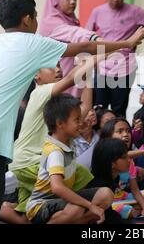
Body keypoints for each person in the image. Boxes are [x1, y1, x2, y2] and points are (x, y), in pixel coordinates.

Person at [0, 0, 144, 224]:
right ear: (27, 19)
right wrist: (128, 43)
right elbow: (86, 47)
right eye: (36, 15)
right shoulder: (32, 43)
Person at [6, 62, 94, 223]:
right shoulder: (39, 92)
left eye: (60, 65)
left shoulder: (57, 105)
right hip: (28, 162)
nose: (58, 69)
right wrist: (91, 60)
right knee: (74, 179)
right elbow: (69, 78)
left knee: (26, 215)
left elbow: (85, 107)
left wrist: (88, 75)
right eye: (51, 66)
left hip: (36, 162)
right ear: (36, 76)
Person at [26, 94, 114, 224]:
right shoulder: (55, 151)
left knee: (106, 194)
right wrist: (90, 206)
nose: (81, 123)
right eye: (77, 120)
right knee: (76, 209)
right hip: (41, 205)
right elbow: (57, 188)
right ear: (60, 124)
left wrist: (87, 78)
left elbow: (85, 109)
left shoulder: (68, 139)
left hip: (62, 200)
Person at [86, 0, 144, 117]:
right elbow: (87, 34)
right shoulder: (98, 11)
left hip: (125, 68)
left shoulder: (134, 11)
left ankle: (118, 138)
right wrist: (93, 59)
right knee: (98, 109)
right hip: (102, 67)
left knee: (119, 110)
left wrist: (137, 38)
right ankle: (101, 138)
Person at [39, 0, 104, 97]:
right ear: (56, 0)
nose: (73, 2)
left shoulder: (71, 20)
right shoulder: (50, 22)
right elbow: (75, 34)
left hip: (75, 81)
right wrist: (96, 38)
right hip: (60, 84)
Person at [99, 118, 144, 219]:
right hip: (106, 201)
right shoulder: (105, 156)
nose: (126, 134)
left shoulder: (130, 161)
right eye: (120, 131)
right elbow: (124, 155)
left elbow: (135, 189)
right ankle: (134, 209)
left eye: (128, 131)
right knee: (126, 211)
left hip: (123, 197)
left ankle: (138, 208)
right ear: (108, 137)